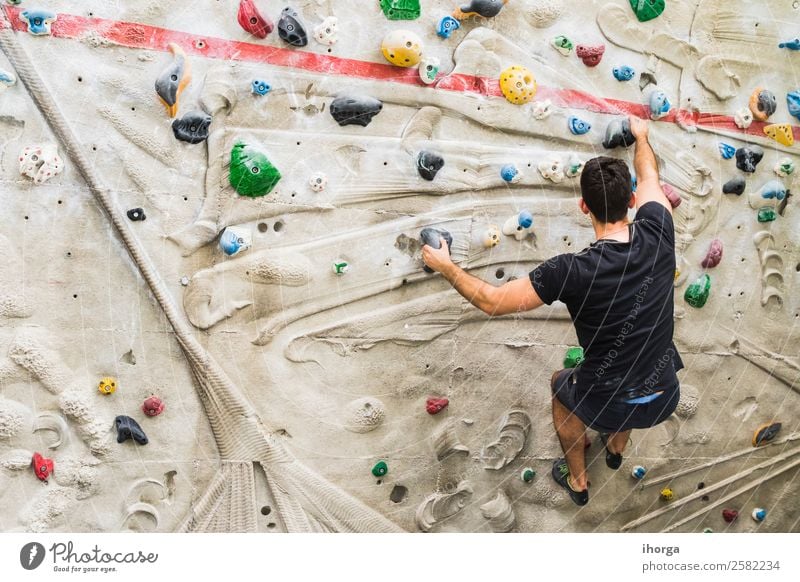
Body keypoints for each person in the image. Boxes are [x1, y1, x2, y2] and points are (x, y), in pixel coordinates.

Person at [421, 115, 683, 506]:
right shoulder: (658, 227)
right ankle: (614, 450)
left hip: (607, 401)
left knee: (562, 384)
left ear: (583, 207)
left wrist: (445, 266)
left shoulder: (570, 271)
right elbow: (648, 175)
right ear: (631, 202)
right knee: (637, 379)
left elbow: (493, 301)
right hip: (665, 394)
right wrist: (641, 136)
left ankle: (578, 480)